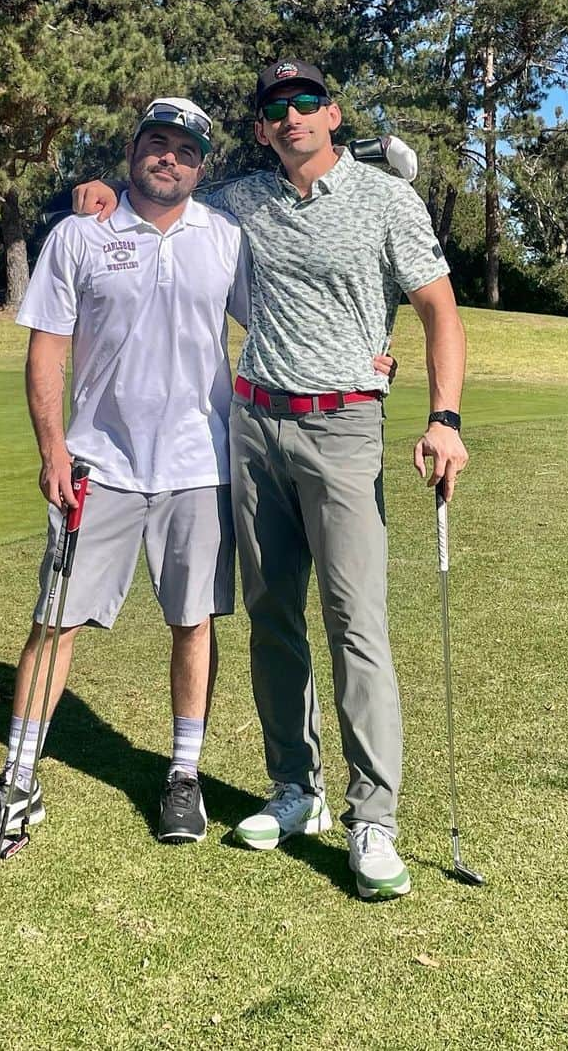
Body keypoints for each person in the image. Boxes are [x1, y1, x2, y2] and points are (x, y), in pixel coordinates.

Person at [74, 59, 468, 900]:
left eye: (304, 103)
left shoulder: (386, 198)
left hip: (346, 425)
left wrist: (444, 417)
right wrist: (102, 193)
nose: (289, 117)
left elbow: (439, 308)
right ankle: (297, 789)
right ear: (259, 130)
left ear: (331, 112)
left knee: (355, 620)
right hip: (251, 424)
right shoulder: (243, 203)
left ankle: (374, 821)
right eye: (273, 109)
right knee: (271, 616)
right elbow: (165, 203)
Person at [0, 97, 250, 848]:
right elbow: (46, 346)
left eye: (183, 148)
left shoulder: (227, 239)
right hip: (97, 463)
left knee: (193, 621)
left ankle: (183, 773)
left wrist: (366, 356)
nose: (167, 157)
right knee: (55, 621)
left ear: (201, 164)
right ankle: (18, 782)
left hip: (197, 463)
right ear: (132, 148)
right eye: (156, 142)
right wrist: (52, 448)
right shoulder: (81, 234)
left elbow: (278, 319)